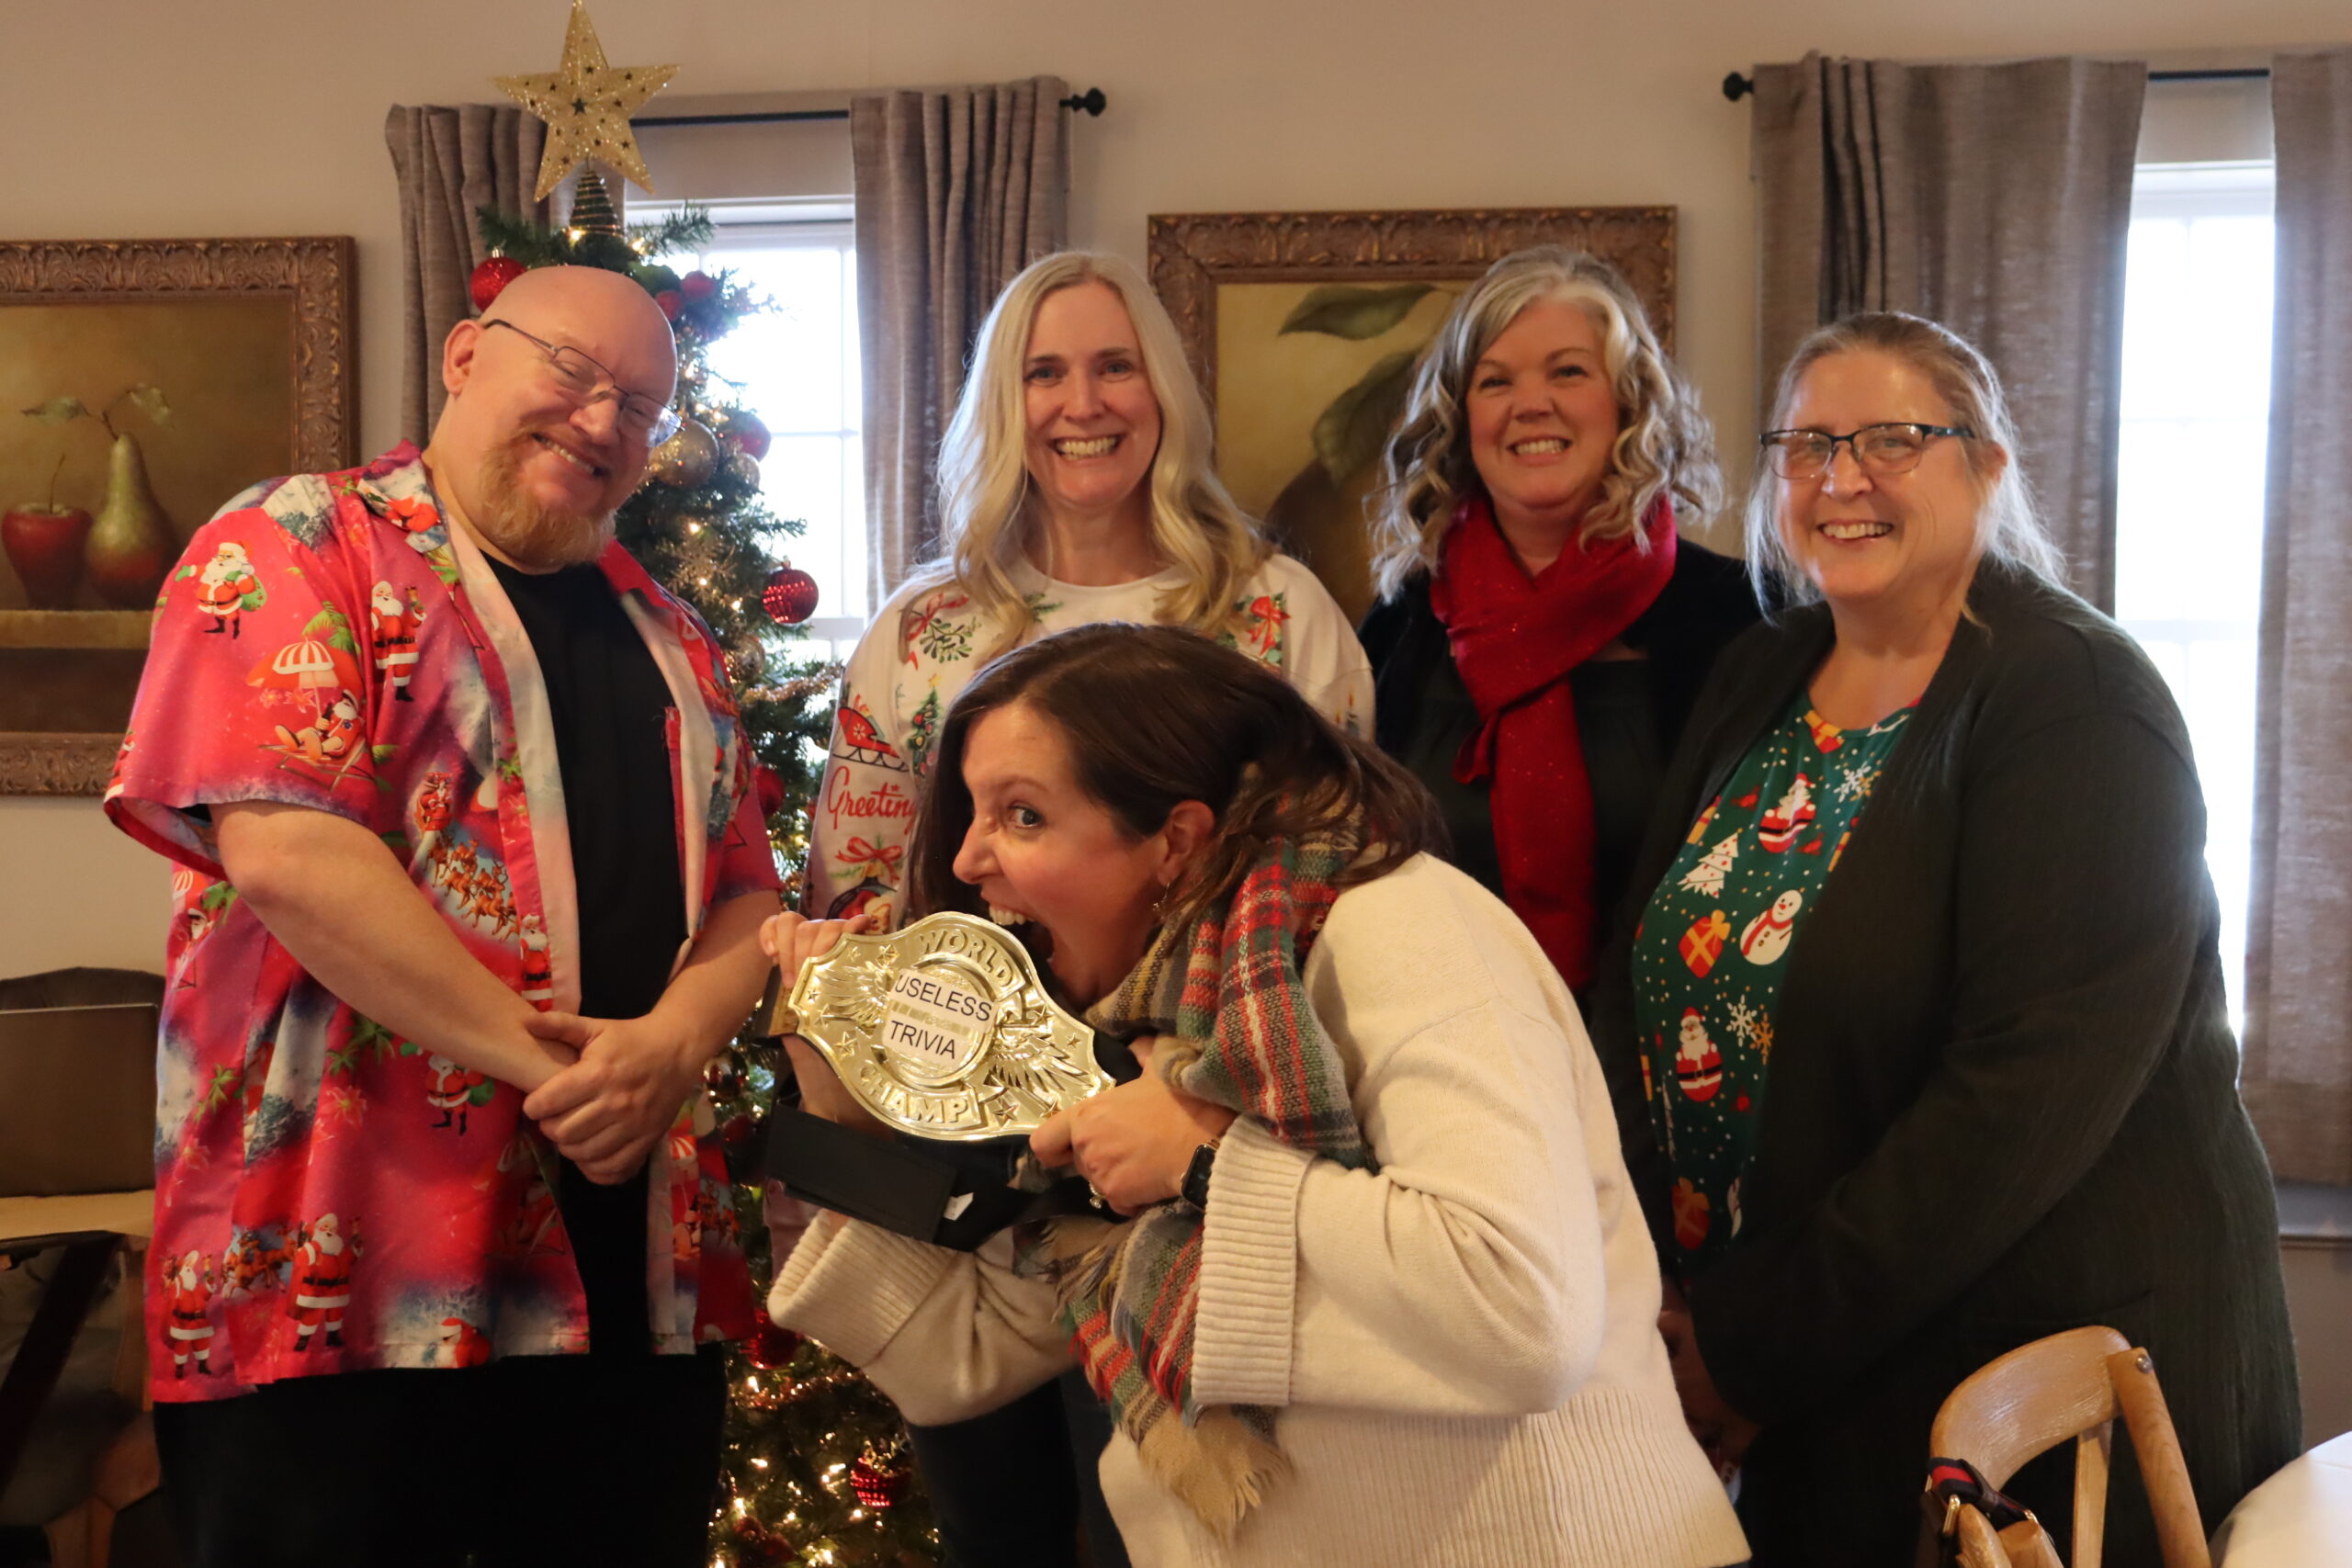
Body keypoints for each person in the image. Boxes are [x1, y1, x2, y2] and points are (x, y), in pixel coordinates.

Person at [763, 624, 1752, 1568]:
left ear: (1176, 841)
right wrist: (837, 1097)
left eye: (1022, 814)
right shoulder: (1127, 1032)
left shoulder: (1402, 928)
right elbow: (954, 1358)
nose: (972, 859)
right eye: (976, 814)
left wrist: (1205, 1162)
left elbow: (1525, 1321)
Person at [1587, 312, 2301, 1564]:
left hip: (2043, 1371)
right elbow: (1642, 981)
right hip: (1800, 1352)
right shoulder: (1763, 669)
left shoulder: (2077, 701)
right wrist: (1659, 1297)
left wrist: (1749, 1347)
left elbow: (2006, 1111)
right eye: (1808, 443)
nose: (1842, 476)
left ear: (1987, 464)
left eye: (1894, 439)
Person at [104, 265, 782, 1568]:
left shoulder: (673, 633)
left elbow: (750, 886)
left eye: (641, 406)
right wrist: (567, 1074)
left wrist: (675, 1046)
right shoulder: (301, 543)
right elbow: (290, 851)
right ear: (467, 353)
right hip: (344, 1272)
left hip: (627, 1267)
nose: (602, 421)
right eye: (573, 374)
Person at [791, 249, 1371, 1568]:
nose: (1081, 400)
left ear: (1162, 390)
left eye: (1114, 364)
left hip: (1196, 1158)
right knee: (999, 1527)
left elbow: (1338, 887)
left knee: (1177, 1533)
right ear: (1006, 405)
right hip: (974, 1180)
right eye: (1043, 371)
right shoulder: (925, 631)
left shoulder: (1276, 615)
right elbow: (860, 890)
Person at [1359, 246, 1758, 996]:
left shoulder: (1742, 620)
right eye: (1496, 381)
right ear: (1462, 414)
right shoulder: (1398, 626)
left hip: (1671, 1067)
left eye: (1568, 371)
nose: (1530, 403)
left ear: (1629, 399)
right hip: (1440, 1056)